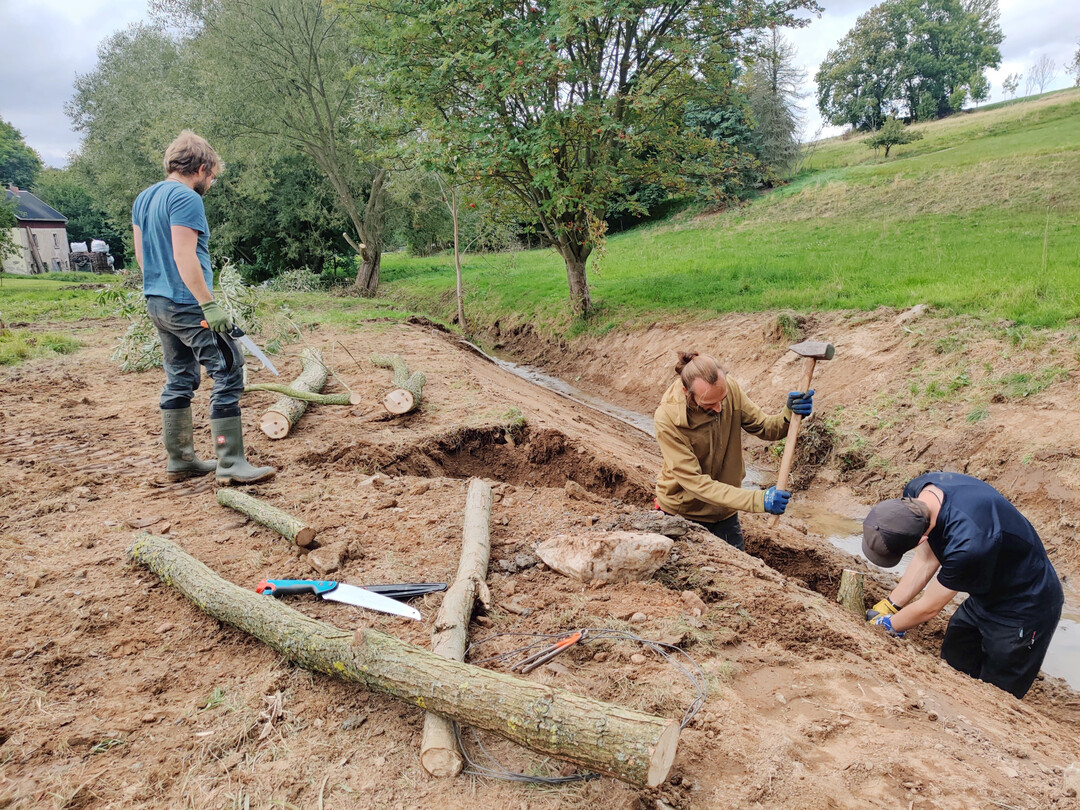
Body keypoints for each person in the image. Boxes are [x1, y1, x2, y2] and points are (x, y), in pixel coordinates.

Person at [132, 131, 275, 485]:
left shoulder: (144, 198)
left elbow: (142, 256)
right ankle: (230, 461)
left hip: (157, 301)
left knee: (180, 377)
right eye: (211, 177)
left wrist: (160, 288)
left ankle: (180, 459)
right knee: (228, 368)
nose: (210, 183)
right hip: (186, 302)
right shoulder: (186, 198)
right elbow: (184, 254)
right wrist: (208, 304)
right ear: (202, 168)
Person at [862, 472, 1063, 699]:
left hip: (1026, 604)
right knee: (956, 656)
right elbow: (927, 558)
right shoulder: (918, 493)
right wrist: (891, 605)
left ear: (920, 539)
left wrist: (886, 626)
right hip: (985, 593)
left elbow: (930, 607)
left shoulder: (970, 544)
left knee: (997, 691)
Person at [653, 351, 813, 551]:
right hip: (683, 514)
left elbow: (764, 426)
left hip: (724, 513)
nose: (719, 408)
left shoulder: (730, 389)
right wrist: (759, 500)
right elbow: (695, 483)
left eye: (723, 399)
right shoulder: (667, 418)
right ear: (687, 391)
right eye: (710, 404)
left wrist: (788, 415)